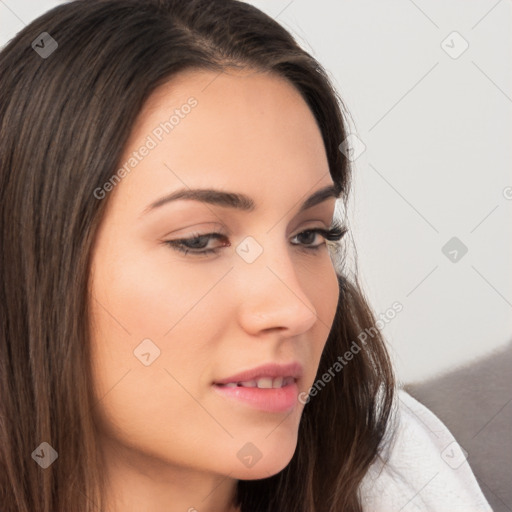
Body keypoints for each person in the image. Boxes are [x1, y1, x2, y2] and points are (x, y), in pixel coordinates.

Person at [0, 1, 493, 511]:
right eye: (200, 239)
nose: (295, 308)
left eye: (310, 234)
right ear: (27, 261)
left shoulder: (423, 481)